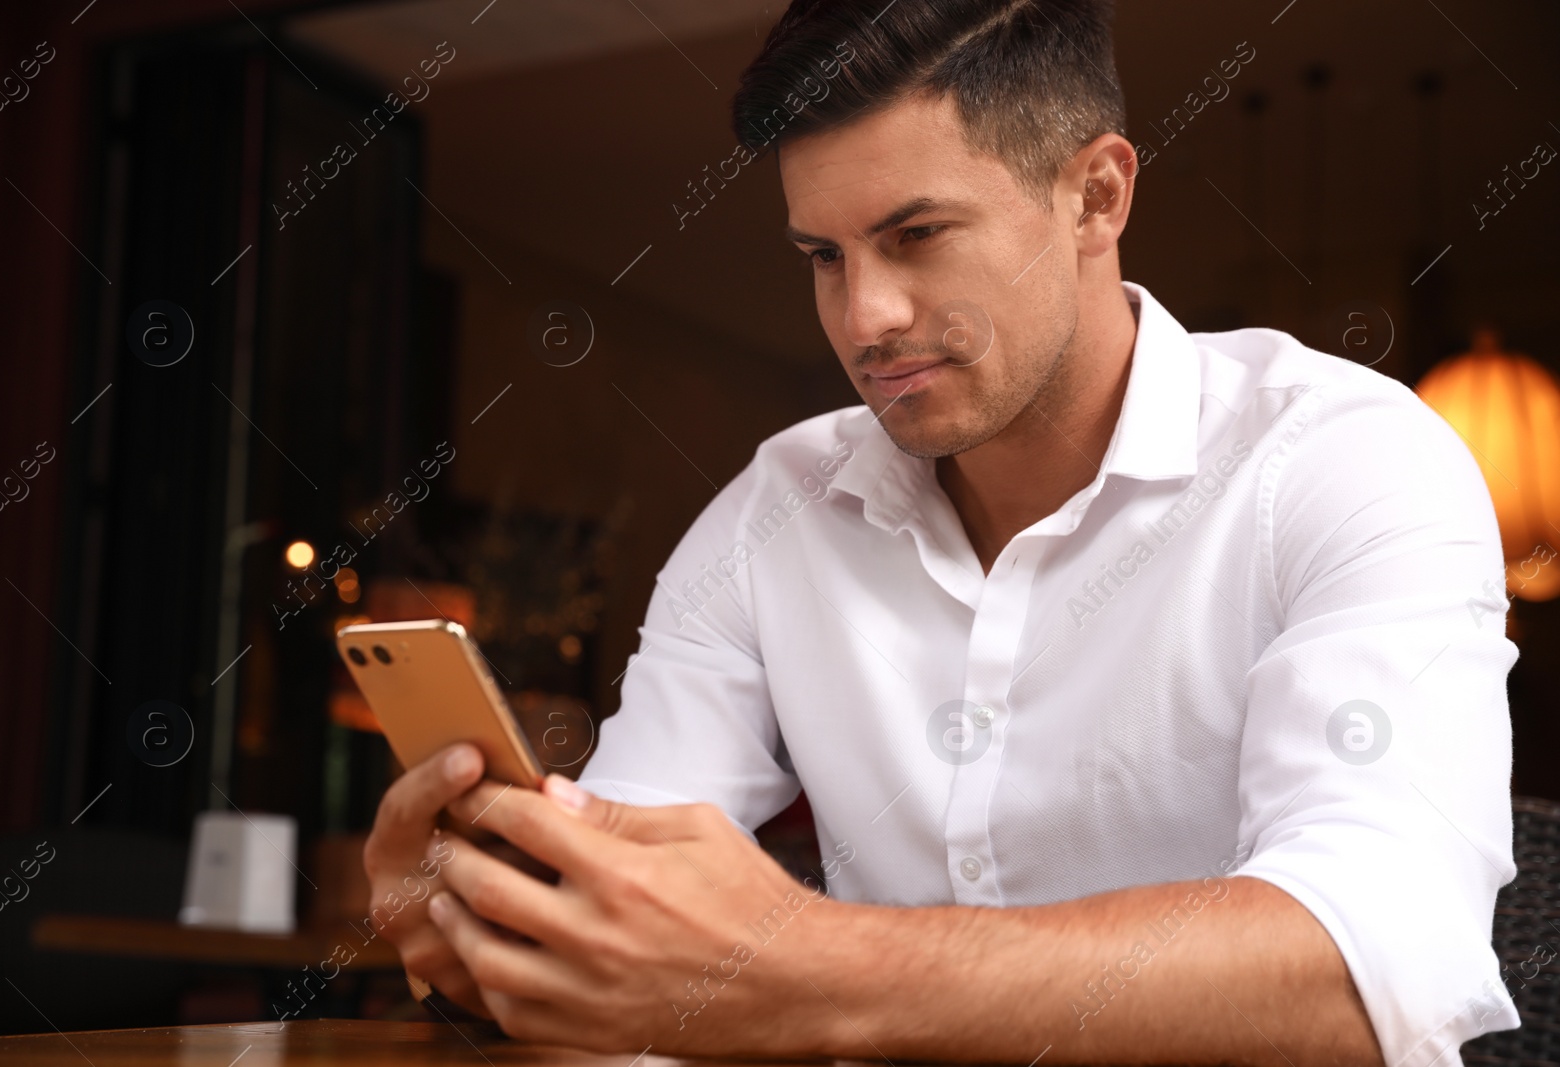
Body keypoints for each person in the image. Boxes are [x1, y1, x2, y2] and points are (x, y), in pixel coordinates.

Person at [363, 1, 1518, 1063]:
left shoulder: (1349, 461)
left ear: (1096, 196)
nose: (864, 317)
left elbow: (1370, 969)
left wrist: (797, 965)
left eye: (916, 234)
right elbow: (618, 925)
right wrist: (489, 934)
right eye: (824, 257)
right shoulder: (779, 508)